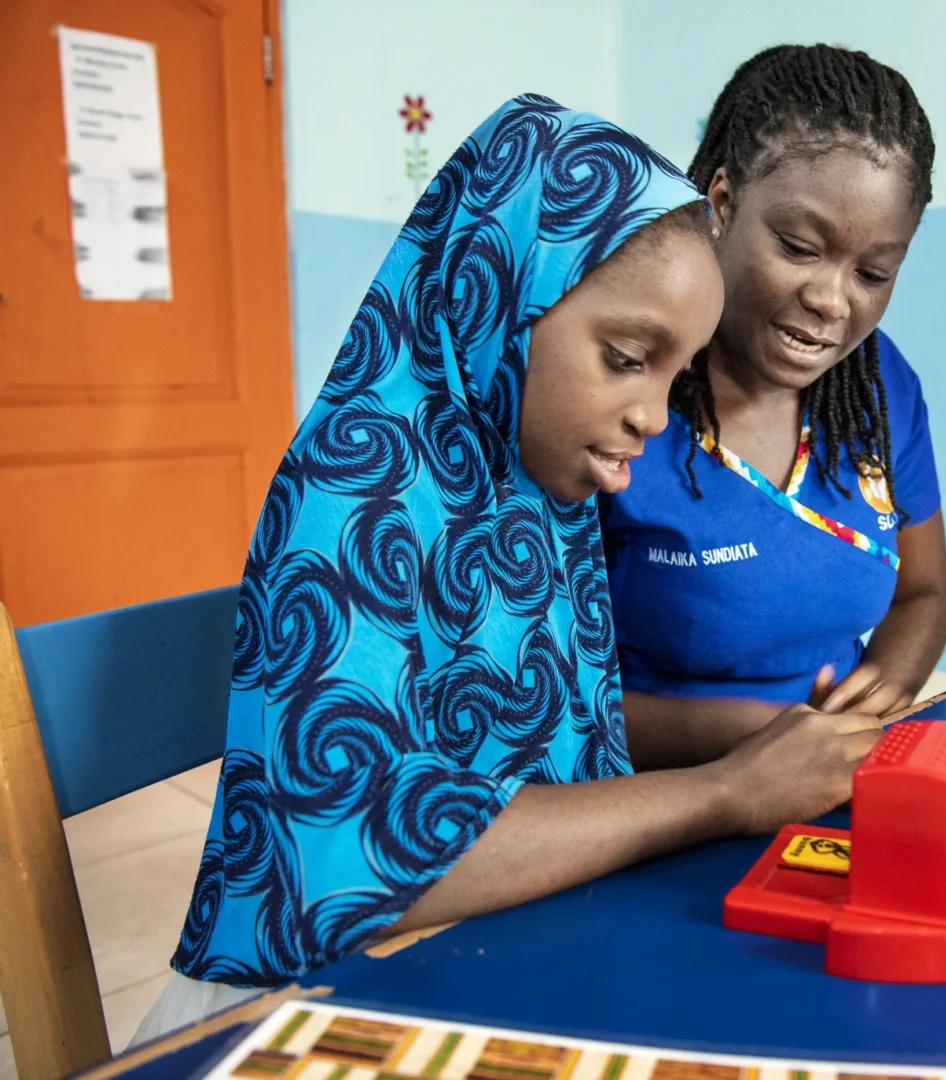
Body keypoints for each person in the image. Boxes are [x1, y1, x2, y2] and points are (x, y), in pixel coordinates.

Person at [134, 95, 882, 1042]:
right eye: (627, 358)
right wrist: (724, 792)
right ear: (497, 297)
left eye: (674, 374)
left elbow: (539, 740)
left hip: (495, 959)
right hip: (300, 1011)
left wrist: (743, 735)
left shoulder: (528, 487)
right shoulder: (359, 488)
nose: (654, 417)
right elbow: (348, 862)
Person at [600, 46, 946, 771]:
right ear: (723, 202)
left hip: (825, 780)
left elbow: (922, 591)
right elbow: (542, 694)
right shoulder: (621, 388)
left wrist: (880, 693)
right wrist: (755, 741)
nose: (831, 299)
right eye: (798, 247)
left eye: (873, 273)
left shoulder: (880, 388)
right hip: (646, 796)